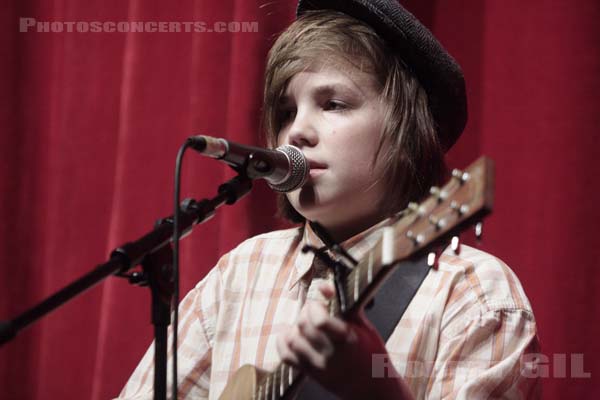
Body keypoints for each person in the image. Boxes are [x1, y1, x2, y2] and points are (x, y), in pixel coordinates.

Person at [118, 1, 540, 399]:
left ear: (406, 133)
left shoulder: (473, 294)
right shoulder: (241, 273)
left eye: (333, 104)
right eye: (285, 112)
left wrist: (375, 391)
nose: (296, 131)